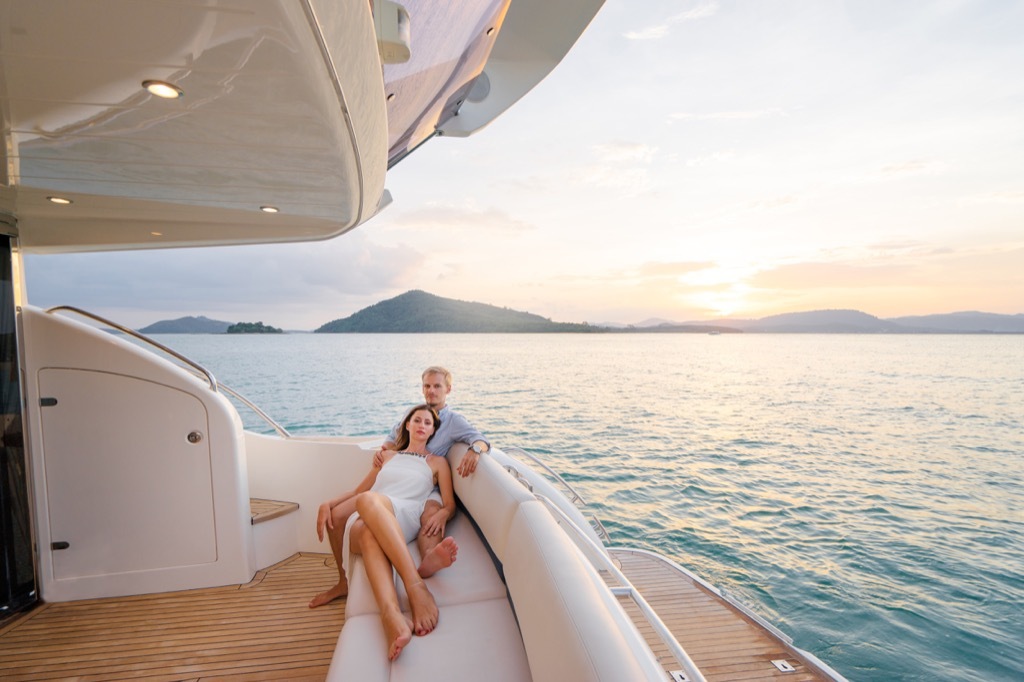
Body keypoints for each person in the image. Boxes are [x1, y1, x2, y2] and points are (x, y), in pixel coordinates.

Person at [309, 366, 489, 609]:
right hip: (396, 480)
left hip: (427, 482)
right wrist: (384, 453)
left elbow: (478, 438)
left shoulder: (452, 423)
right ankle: (346, 582)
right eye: (427, 386)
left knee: (432, 512)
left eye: (437, 386)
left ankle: (428, 559)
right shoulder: (407, 422)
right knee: (353, 512)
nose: (431, 391)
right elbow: (392, 437)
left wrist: (475, 450)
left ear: (448, 389)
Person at [315, 404, 459, 660]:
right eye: (417, 420)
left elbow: (449, 504)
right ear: (407, 425)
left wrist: (442, 513)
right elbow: (358, 491)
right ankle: (398, 605)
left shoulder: (437, 462)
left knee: (369, 503)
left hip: (403, 515)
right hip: (369, 511)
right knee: (367, 512)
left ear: (432, 431)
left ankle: (403, 600)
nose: (422, 425)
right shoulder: (388, 456)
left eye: (428, 423)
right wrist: (329, 502)